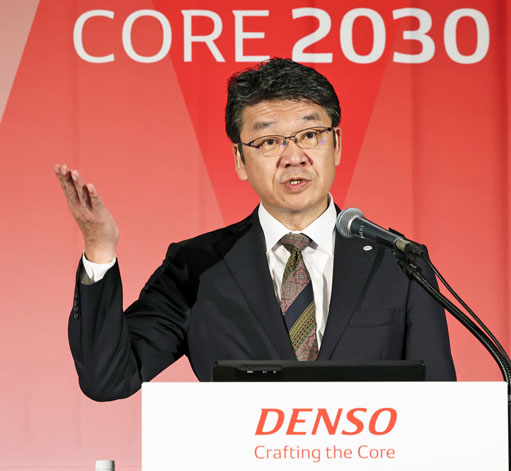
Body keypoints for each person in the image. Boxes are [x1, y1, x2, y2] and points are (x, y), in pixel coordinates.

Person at [55, 58, 455, 401]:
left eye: (310, 135)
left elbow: (440, 407)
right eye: (269, 142)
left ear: (336, 144)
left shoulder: (399, 263)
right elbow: (108, 379)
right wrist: (99, 251)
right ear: (239, 159)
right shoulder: (197, 267)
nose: (294, 157)